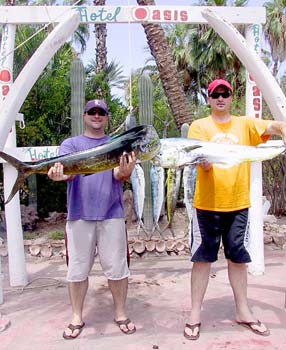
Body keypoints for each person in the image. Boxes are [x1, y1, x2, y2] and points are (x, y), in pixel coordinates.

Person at [184, 79, 286, 340]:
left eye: (225, 93)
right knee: (202, 259)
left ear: (231, 97)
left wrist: (283, 129)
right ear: (208, 99)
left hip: (238, 205)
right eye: (215, 94)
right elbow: (197, 160)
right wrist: (204, 164)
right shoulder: (199, 127)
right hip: (206, 206)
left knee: (238, 258)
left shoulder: (245, 124)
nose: (220, 98)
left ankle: (243, 310)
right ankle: (195, 313)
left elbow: (274, 126)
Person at [48, 99, 137, 340]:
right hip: (79, 216)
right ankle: (76, 316)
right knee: (76, 270)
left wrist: (126, 172)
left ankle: (120, 313)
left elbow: (118, 174)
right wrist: (59, 176)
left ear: (107, 117)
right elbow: (67, 174)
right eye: (92, 112)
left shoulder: (118, 144)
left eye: (101, 112)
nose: (96, 115)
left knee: (118, 268)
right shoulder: (71, 144)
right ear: (84, 115)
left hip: (112, 215)